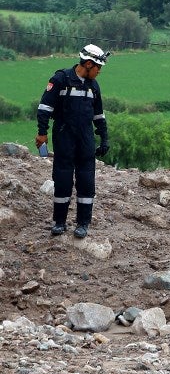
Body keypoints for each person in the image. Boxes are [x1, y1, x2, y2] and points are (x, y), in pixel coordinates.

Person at [35, 44, 111, 238]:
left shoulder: (93, 86)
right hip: (64, 135)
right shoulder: (61, 79)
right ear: (88, 64)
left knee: (86, 180)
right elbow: (44, 108)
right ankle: (59, 222)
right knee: (62, 179)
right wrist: (42, 133)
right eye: (98, 67)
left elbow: (99, 115)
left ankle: (83, 224)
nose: (99, 72)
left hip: (85, 138)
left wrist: (104, 138)